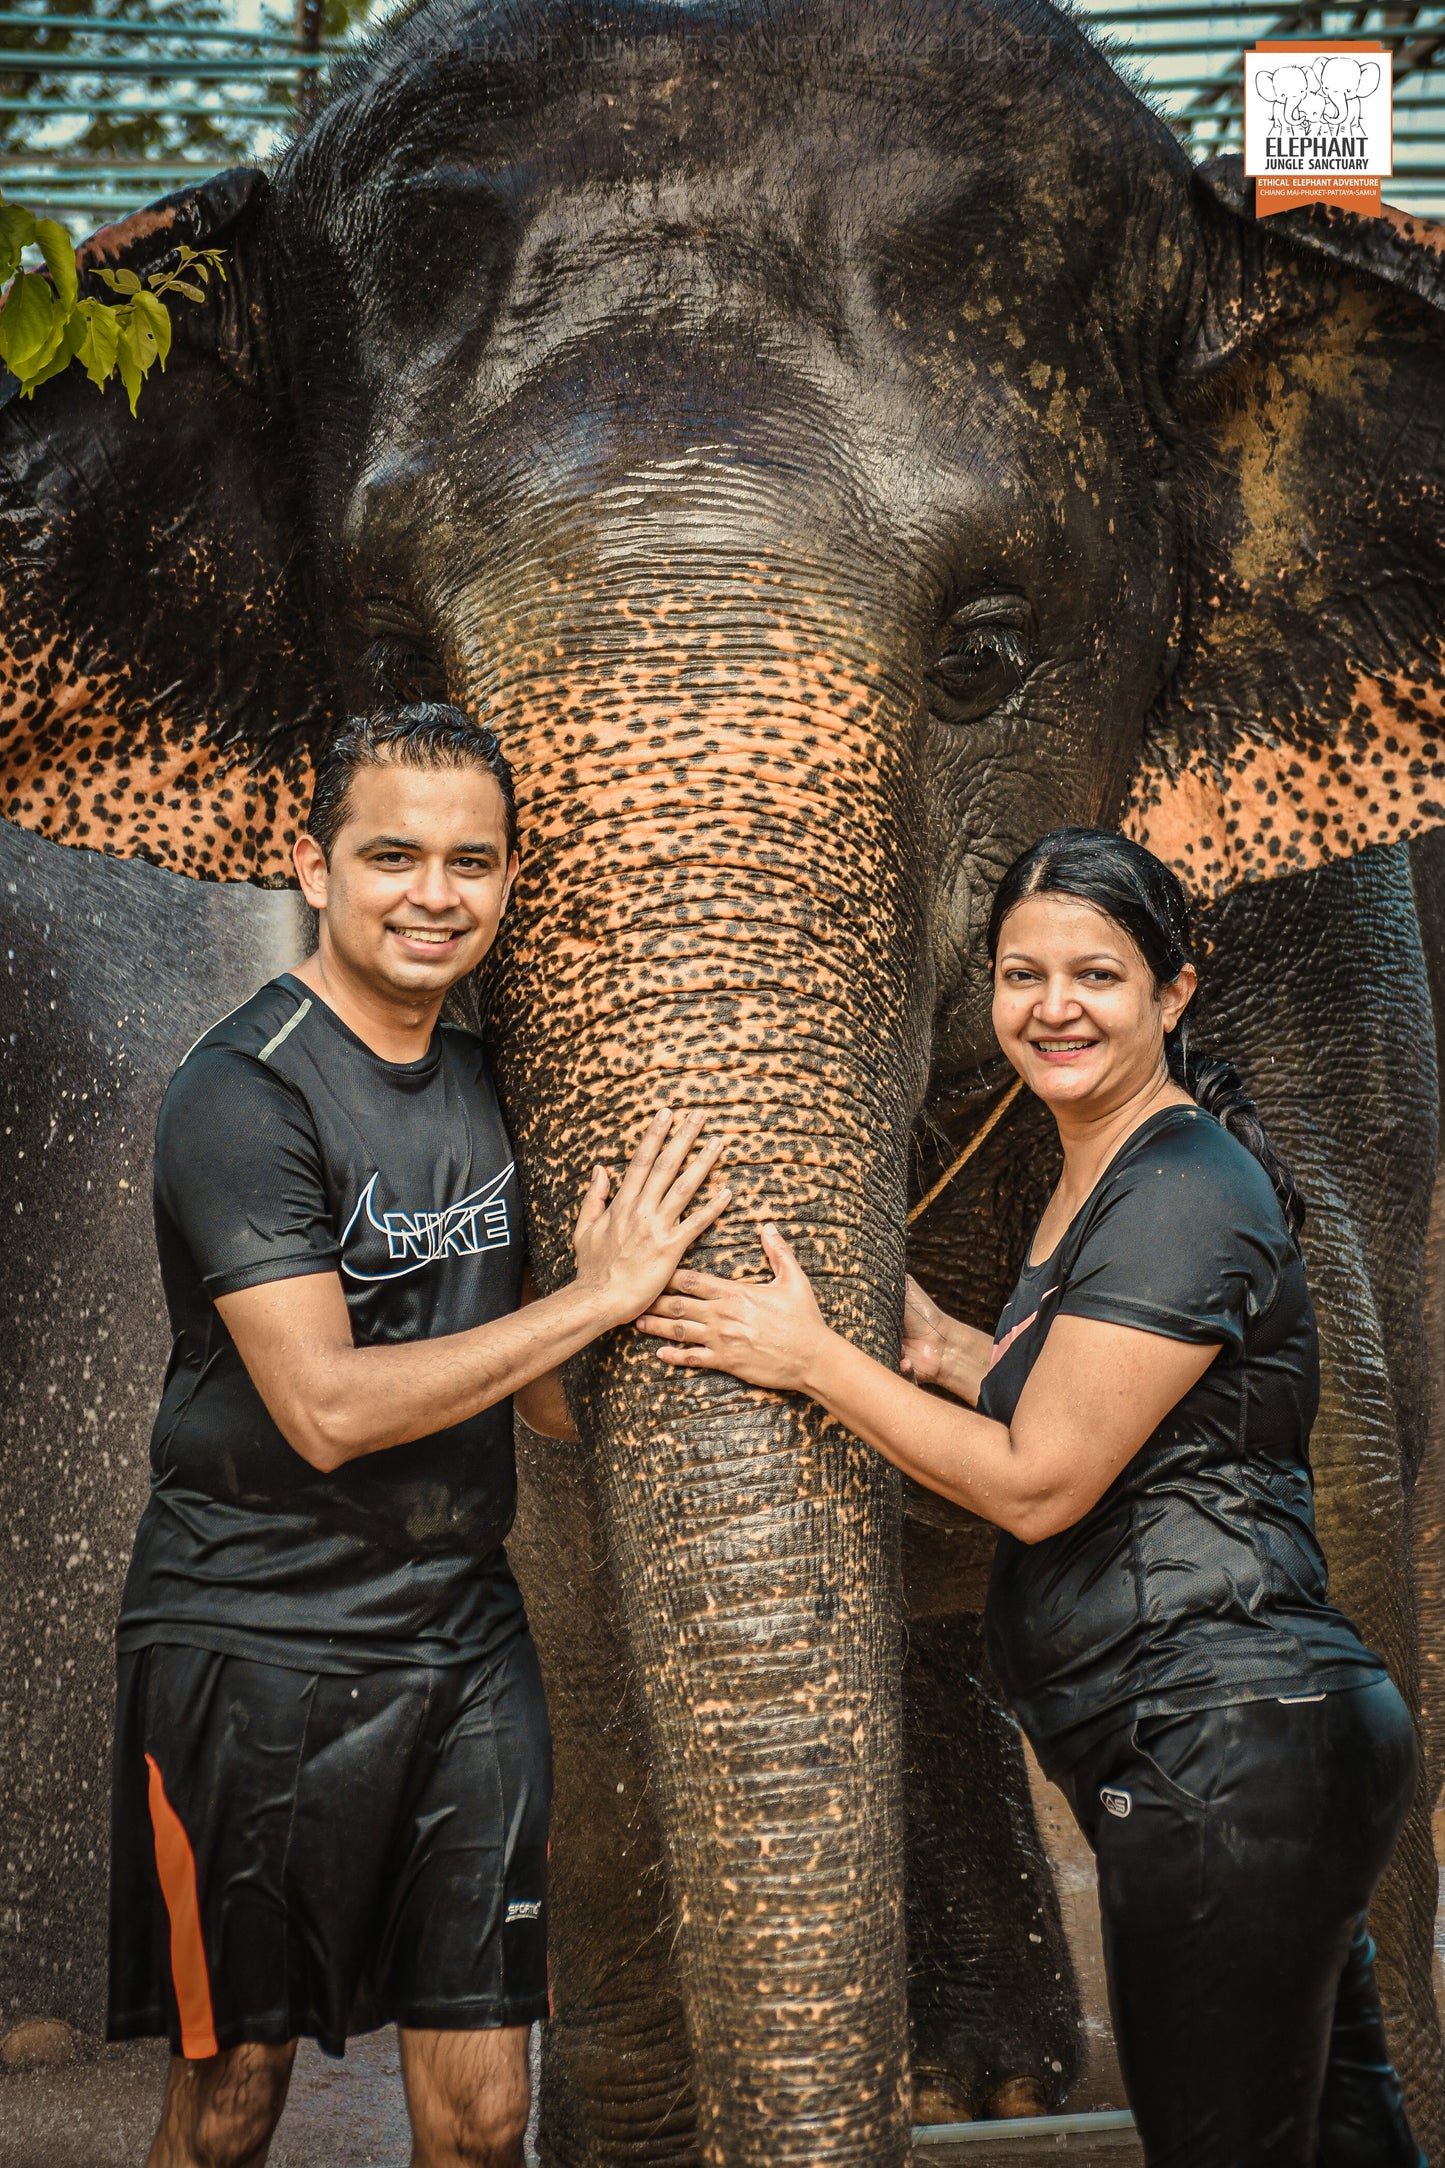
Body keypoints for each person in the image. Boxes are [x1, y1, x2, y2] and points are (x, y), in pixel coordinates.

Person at [635, 825, 1423, 2168]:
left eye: (1096, 976)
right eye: (1022, 974)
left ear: (1173, 993)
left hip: (1222, 1749)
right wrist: (937, 1345)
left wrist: (810, 1360)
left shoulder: (1180, 1187)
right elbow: (1099, 1402)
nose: (1054, 1007)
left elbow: (1040, 1482)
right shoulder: (1104, 1168)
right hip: (1250, 1746)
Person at [108, 703, 729, 2168]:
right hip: (252, 1642)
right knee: (233, 2100)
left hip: (459, 1640)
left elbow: (541, 1394)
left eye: (472, 861)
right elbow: (326, 1409)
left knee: (485, 2113)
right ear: (313, 867)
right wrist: (594, 1299)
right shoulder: (243, 1091)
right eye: (393, 856)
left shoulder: (497, 1080)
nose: (434, 895)